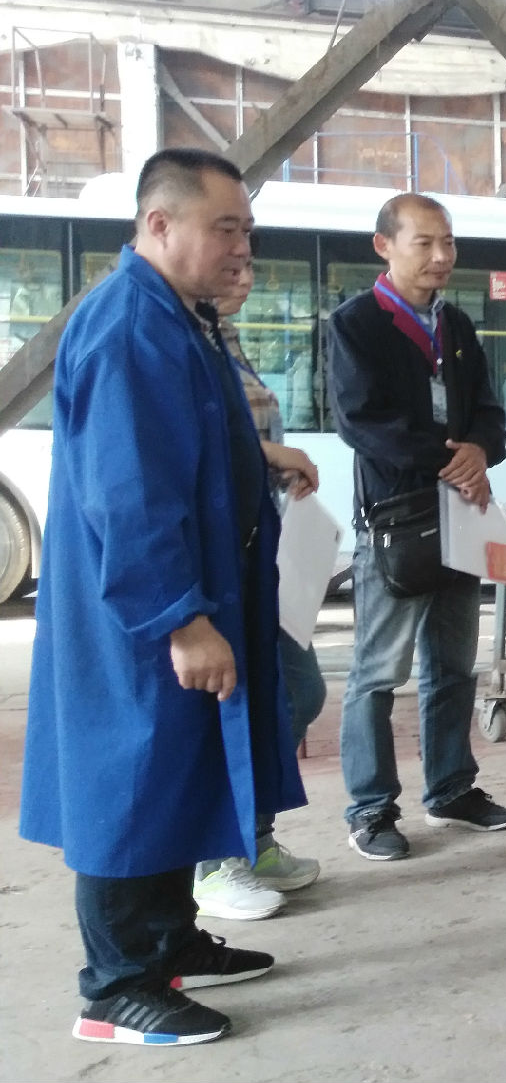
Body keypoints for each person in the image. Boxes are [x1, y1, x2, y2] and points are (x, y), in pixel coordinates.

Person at [19, 147, 308, 1045]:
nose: (241, 246)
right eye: (225, 228)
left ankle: (170, 939)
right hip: (140, 616)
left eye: (246, 229)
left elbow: (194, 443)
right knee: (131, 781)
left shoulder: (178, 316)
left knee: (178, 771)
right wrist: (178, 618)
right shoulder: (128, 326)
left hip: (190, 592)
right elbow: (129, 491)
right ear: (159, 224)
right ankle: (116, 987)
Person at [326, 193, 506, 861]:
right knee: (378, 672)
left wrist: (480, 450)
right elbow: (361, 421)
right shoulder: (355, 324)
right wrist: (450, 461)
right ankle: (371, 809)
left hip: (461, 516)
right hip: (396, 521)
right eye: (425, 243)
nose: (442, 256)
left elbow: (489, 408)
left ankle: (451, 789)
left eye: (449, 243)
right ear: (384, 246)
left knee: (453, 665)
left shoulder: (455, 324)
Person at [189, 262, 328, 919]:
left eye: (249, 258)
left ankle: (255, 836)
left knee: (296, 690)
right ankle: (215, 860)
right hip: (216, 561)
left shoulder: (224, 337)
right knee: (236, 705)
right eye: (229, 249)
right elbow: (200, 440)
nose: (243, 272)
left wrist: (277, 468)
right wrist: (272, 455)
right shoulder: (176, 337)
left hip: (260, 551)